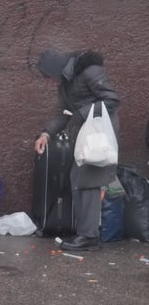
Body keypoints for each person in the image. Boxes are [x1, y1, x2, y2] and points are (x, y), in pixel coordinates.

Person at [34, 49, 121, 251]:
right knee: (78, 178)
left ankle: (89, 237)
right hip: (85, 135)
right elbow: (62, 114)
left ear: (56, 70)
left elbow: (112, 100)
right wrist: (46, 134)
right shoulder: (65, 83)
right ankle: (86, 233)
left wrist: (81, 114)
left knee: (88, 181)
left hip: (98, 134)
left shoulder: (90, 71)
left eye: (48, 77)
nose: (49, 82)